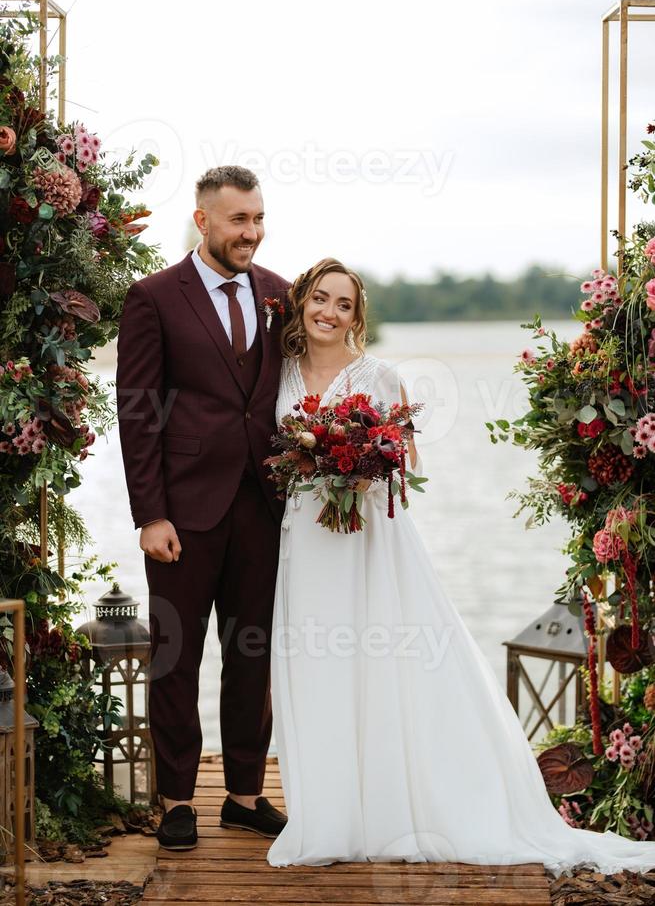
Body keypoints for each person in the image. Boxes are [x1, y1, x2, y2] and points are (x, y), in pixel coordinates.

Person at [266, 257, 655, 877]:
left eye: (344, 304)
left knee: (381, 661)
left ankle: (399, 808)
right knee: (316, 666)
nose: (329, 313)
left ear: (357, 318)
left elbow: (406, 462)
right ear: (301, 303)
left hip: (368, 541)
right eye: (320, 298)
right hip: (303, 542)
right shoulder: (278, 373)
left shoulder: (380, 376)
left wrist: (358, 463)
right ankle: (330, 815)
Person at [116, 166, 289, 850]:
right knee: (175, 655)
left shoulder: (282, 294)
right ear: (203, 220)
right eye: (238, 220)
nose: (251, 231)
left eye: (257, 218)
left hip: (265, 506)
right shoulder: (154, 297)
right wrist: (149, 513)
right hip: (183, 511)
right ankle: (177, 800)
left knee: (253, 653)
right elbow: (136, 411)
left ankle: (244, 795)